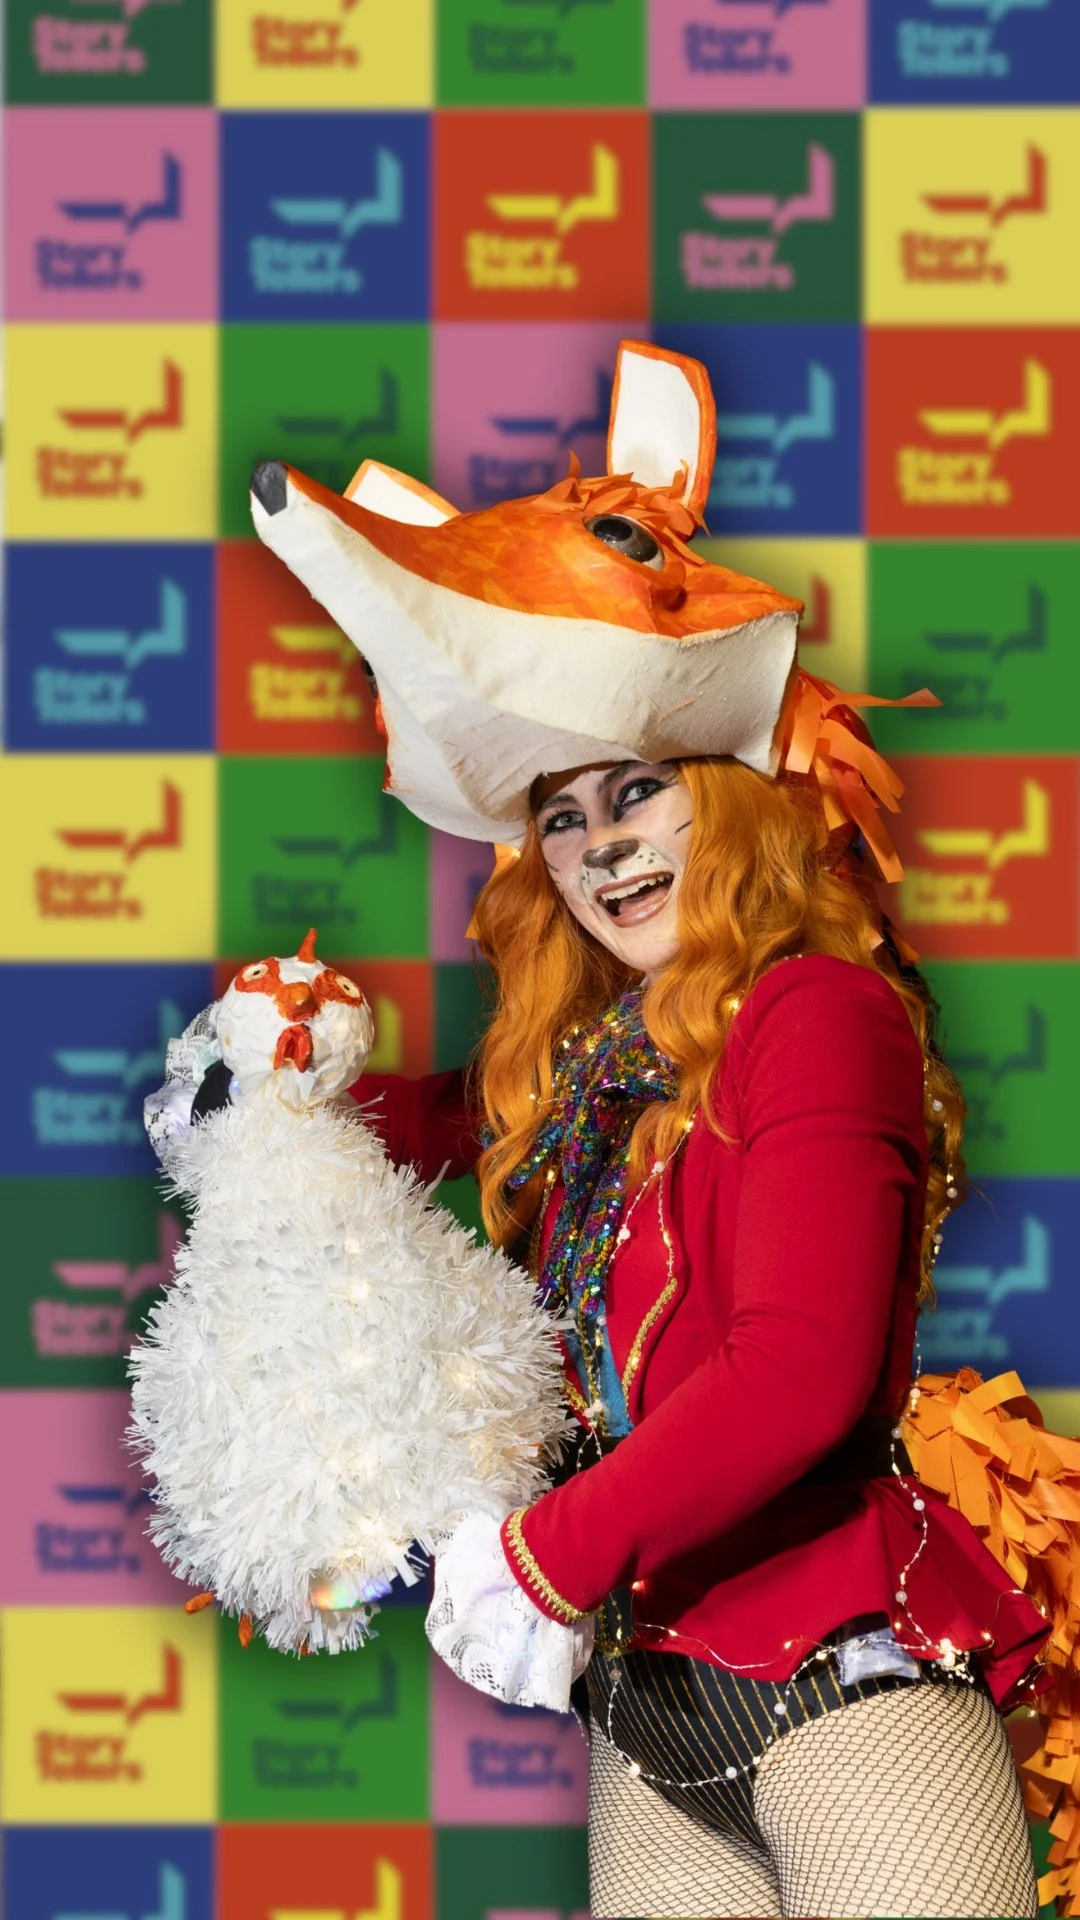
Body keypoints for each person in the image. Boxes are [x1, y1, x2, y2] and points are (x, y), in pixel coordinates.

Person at [154, 342, 1074, 1917]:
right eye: (563, 817)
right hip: (649, 1719)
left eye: (638, 792)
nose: (599, 846)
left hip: (837, 1684)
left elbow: (797, 1376)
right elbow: (428, 1124)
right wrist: (275, 1073)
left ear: (730, 799)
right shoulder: (586, 1061)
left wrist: (543, 1559)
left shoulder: (815, 1014)